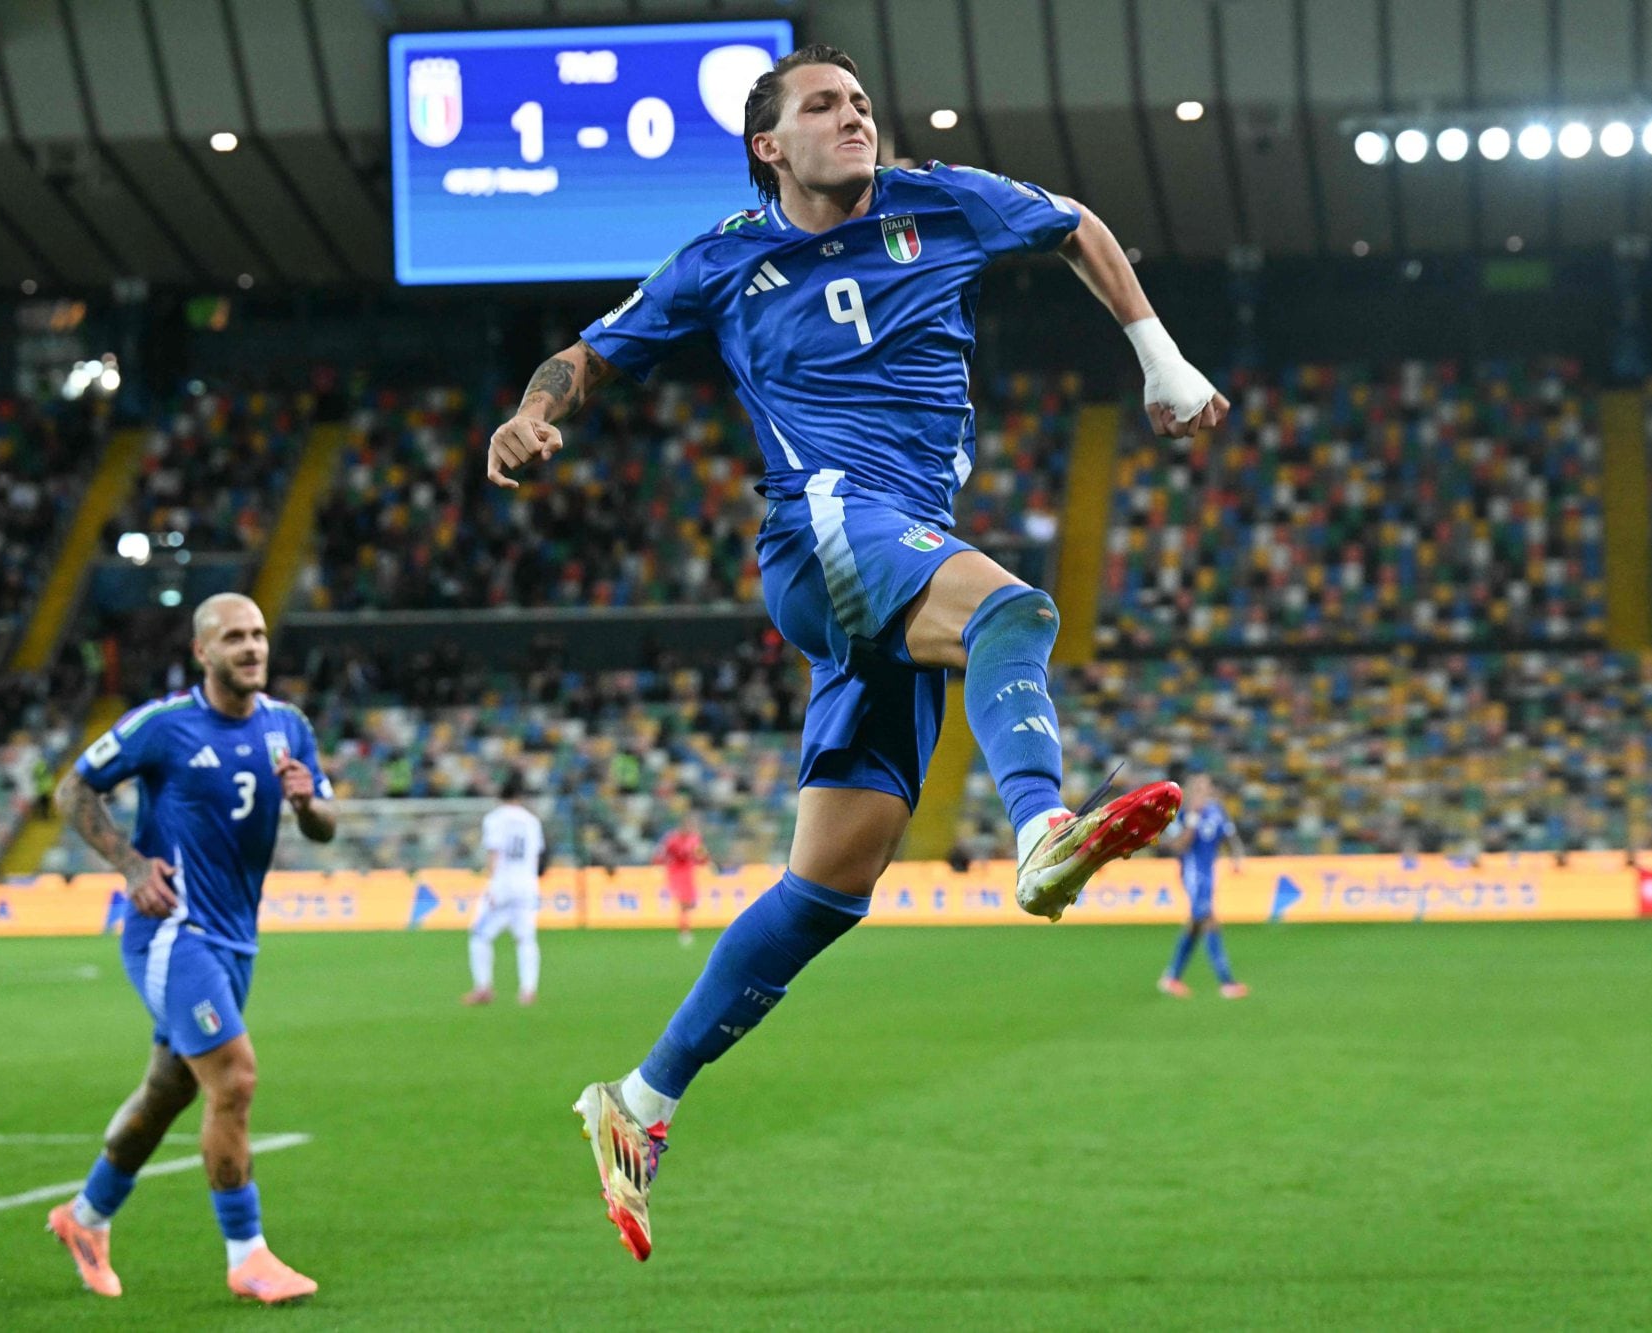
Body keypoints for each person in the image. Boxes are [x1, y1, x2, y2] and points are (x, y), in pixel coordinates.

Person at [485, 44, 1229, 1262]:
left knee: (829, 886)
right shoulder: (724, 257)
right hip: (824, 525)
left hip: (896, 549)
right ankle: (1041, 831)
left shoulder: (943, 201)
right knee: (1009, 611)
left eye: (860, 102)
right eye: (823, 107)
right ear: (768, 146)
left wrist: (1161, 358)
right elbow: (586, 356)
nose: (855, 118)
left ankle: (639, 1098)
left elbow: (1076, 223)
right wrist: (531, 413)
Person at [44, 593, 335, 1305]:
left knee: (169, 1089)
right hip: (175, 931)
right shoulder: (163, 726)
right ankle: (249, 1255)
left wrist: (307, 804)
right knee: (233, 1078)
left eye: (259, 635)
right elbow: (73, 787)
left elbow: (327, 821)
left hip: (237, 940)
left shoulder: (288, 727)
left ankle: (84, 1217)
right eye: (234, 637)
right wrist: (132, 865)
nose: (252, 647)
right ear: (203, 651)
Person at [1159, 774, 1249, 999]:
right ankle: (1227, 982)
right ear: (1190, 791)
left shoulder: (1216, 810)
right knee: (1209, 921)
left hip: (1210, 873)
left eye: (1206, 787)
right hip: (1193, 874)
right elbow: (1179, 845)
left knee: (1195, 926)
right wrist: (1192, 819)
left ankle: (1172, 977)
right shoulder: (1181, 814)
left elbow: (1229, 836)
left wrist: (1237, 857)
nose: (1203, 792)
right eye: (1199, 788)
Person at [462, 774, 547, 1006]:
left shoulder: (495, 819)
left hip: (503, 885)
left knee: (479, 935)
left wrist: (492, 883)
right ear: (520, 796)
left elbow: (494, 853)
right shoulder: (532, 821)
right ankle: (528, 991)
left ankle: (483, 988)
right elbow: (538, 856)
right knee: (526, 938)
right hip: (527, 885)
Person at [654, 813, 711, 945]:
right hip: (675, 870)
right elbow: (662, 852)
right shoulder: (672, 838)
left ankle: (685, 925)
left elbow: (701, 854)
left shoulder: (695, 839)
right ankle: (685, 930)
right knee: (683, 902)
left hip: (688, 870)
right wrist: (658, 864)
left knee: (689, 902)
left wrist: (705, 861)